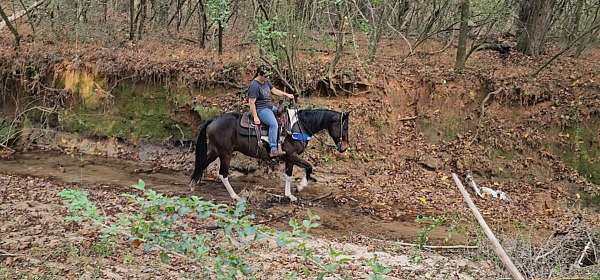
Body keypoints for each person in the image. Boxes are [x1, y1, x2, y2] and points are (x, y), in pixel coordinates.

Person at [248, 65, 295, 157]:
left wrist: (287, 95)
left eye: (268, 76)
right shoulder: (254, 85)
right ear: (259, 75)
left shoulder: (266, 81)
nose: (267, 78)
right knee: (274, 124)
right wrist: (256, 117)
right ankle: (273, 148)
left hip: (269, 107)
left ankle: (283, 140)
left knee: (283, 114)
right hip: (261, 109)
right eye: (265, 76)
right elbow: (251, 103)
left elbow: (274, 90)